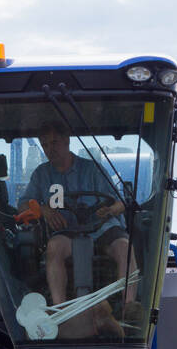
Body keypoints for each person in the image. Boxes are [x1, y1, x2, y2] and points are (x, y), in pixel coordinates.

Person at [16, 122, 137, 330]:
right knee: (53, 248)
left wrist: (109, 211)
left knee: (125, 247)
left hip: (101, 229)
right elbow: (22, 205)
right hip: (68, 232)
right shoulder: (41, 174)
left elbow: (120, 202)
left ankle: (127, 308)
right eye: (44, 145)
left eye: (54, 142)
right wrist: (44, 209)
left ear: (67, 141)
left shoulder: (92, 169)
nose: (49, 149)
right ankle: (60, 313)